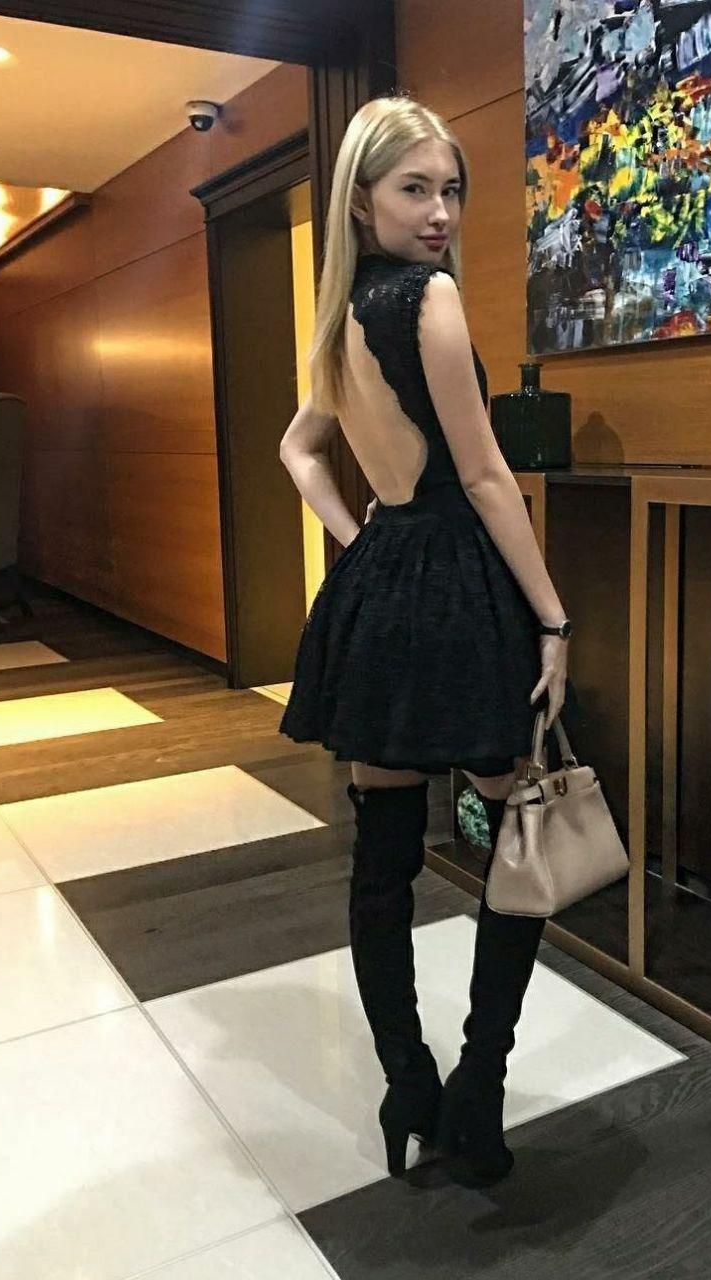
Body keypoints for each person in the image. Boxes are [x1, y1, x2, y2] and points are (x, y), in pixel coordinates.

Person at [277, 94, 572, 1187]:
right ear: (362, 199)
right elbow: (487, 474)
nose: (440, 211)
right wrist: (553, 615)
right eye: (414, 189)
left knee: (383, 856)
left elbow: (298, 448)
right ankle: (477, 1088)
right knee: (517, 831)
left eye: (450, 189)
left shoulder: (342, 314)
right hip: (457, 588)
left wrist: (359, 538)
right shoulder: (427, 297)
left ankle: (408, 1081)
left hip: (380, 588)